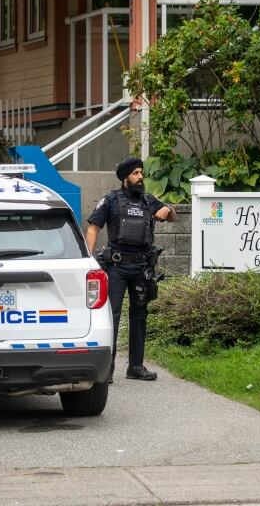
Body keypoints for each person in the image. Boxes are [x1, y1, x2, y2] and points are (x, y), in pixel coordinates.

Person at [85, 157, 175, 382]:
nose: (140, 177)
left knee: (139, 315)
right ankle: (108, 369)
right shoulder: (111, 200)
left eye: (141, 173)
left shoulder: (147, 200)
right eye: (136, 173)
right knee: (112, 316)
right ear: (126, 177)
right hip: (116, 266)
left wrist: (167, 209)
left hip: (141, 267)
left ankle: (135, 366)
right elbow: (93, 228)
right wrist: (88, 260)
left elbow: (172, 216)